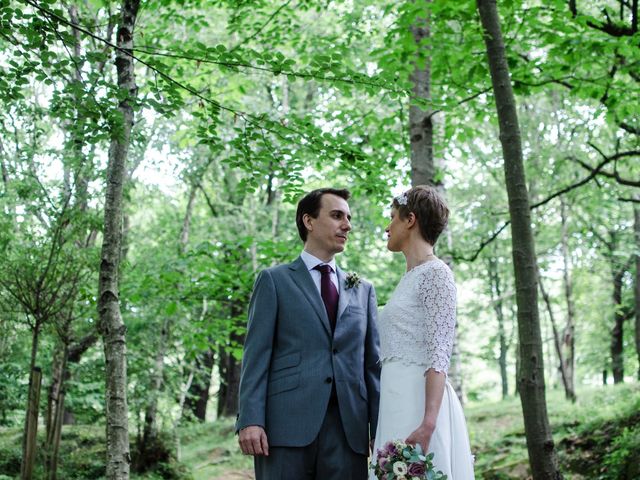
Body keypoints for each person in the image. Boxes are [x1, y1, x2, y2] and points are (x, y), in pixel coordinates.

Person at [236, 187, 381, 480]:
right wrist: (250, 419)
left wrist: (380, 429)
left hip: (348, 432)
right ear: (309, 221)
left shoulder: (362, 289)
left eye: (349, 218)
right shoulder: (274, 281)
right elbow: (256, 355)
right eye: (337, 215)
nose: (347, 225)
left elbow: (372, 366)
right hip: (285, 428)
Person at [370, 185, 474, 480]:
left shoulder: (436, 273)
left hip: (419, 406)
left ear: (410, 219)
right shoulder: (409, 278)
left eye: (392, 217)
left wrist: (428, 423)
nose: (387, 226)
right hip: (394, 401)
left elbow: (439, 354)